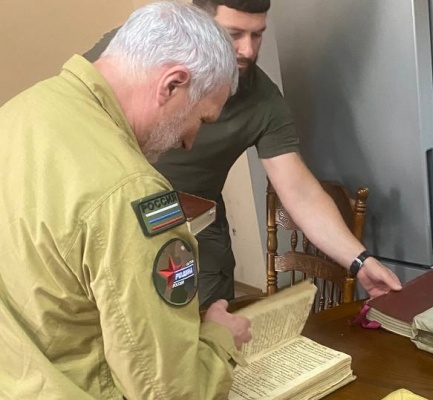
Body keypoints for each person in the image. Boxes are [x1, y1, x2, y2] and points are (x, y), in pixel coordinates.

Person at [0, 2, 252, 399]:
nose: (190, 141)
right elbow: (168, 392)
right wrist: (220, 340)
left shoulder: (20, 112)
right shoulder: (136, 195)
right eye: (201, 119)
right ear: (172, 84)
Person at [154, 0, 403, 306]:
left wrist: (360, 261)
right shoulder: (146, 59)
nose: (247, 50)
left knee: (211, 323)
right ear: (199, 27)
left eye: (257, 34)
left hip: (202, 228)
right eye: (234, 34)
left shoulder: (264, 100)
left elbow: (301, 193)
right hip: (127, 215)